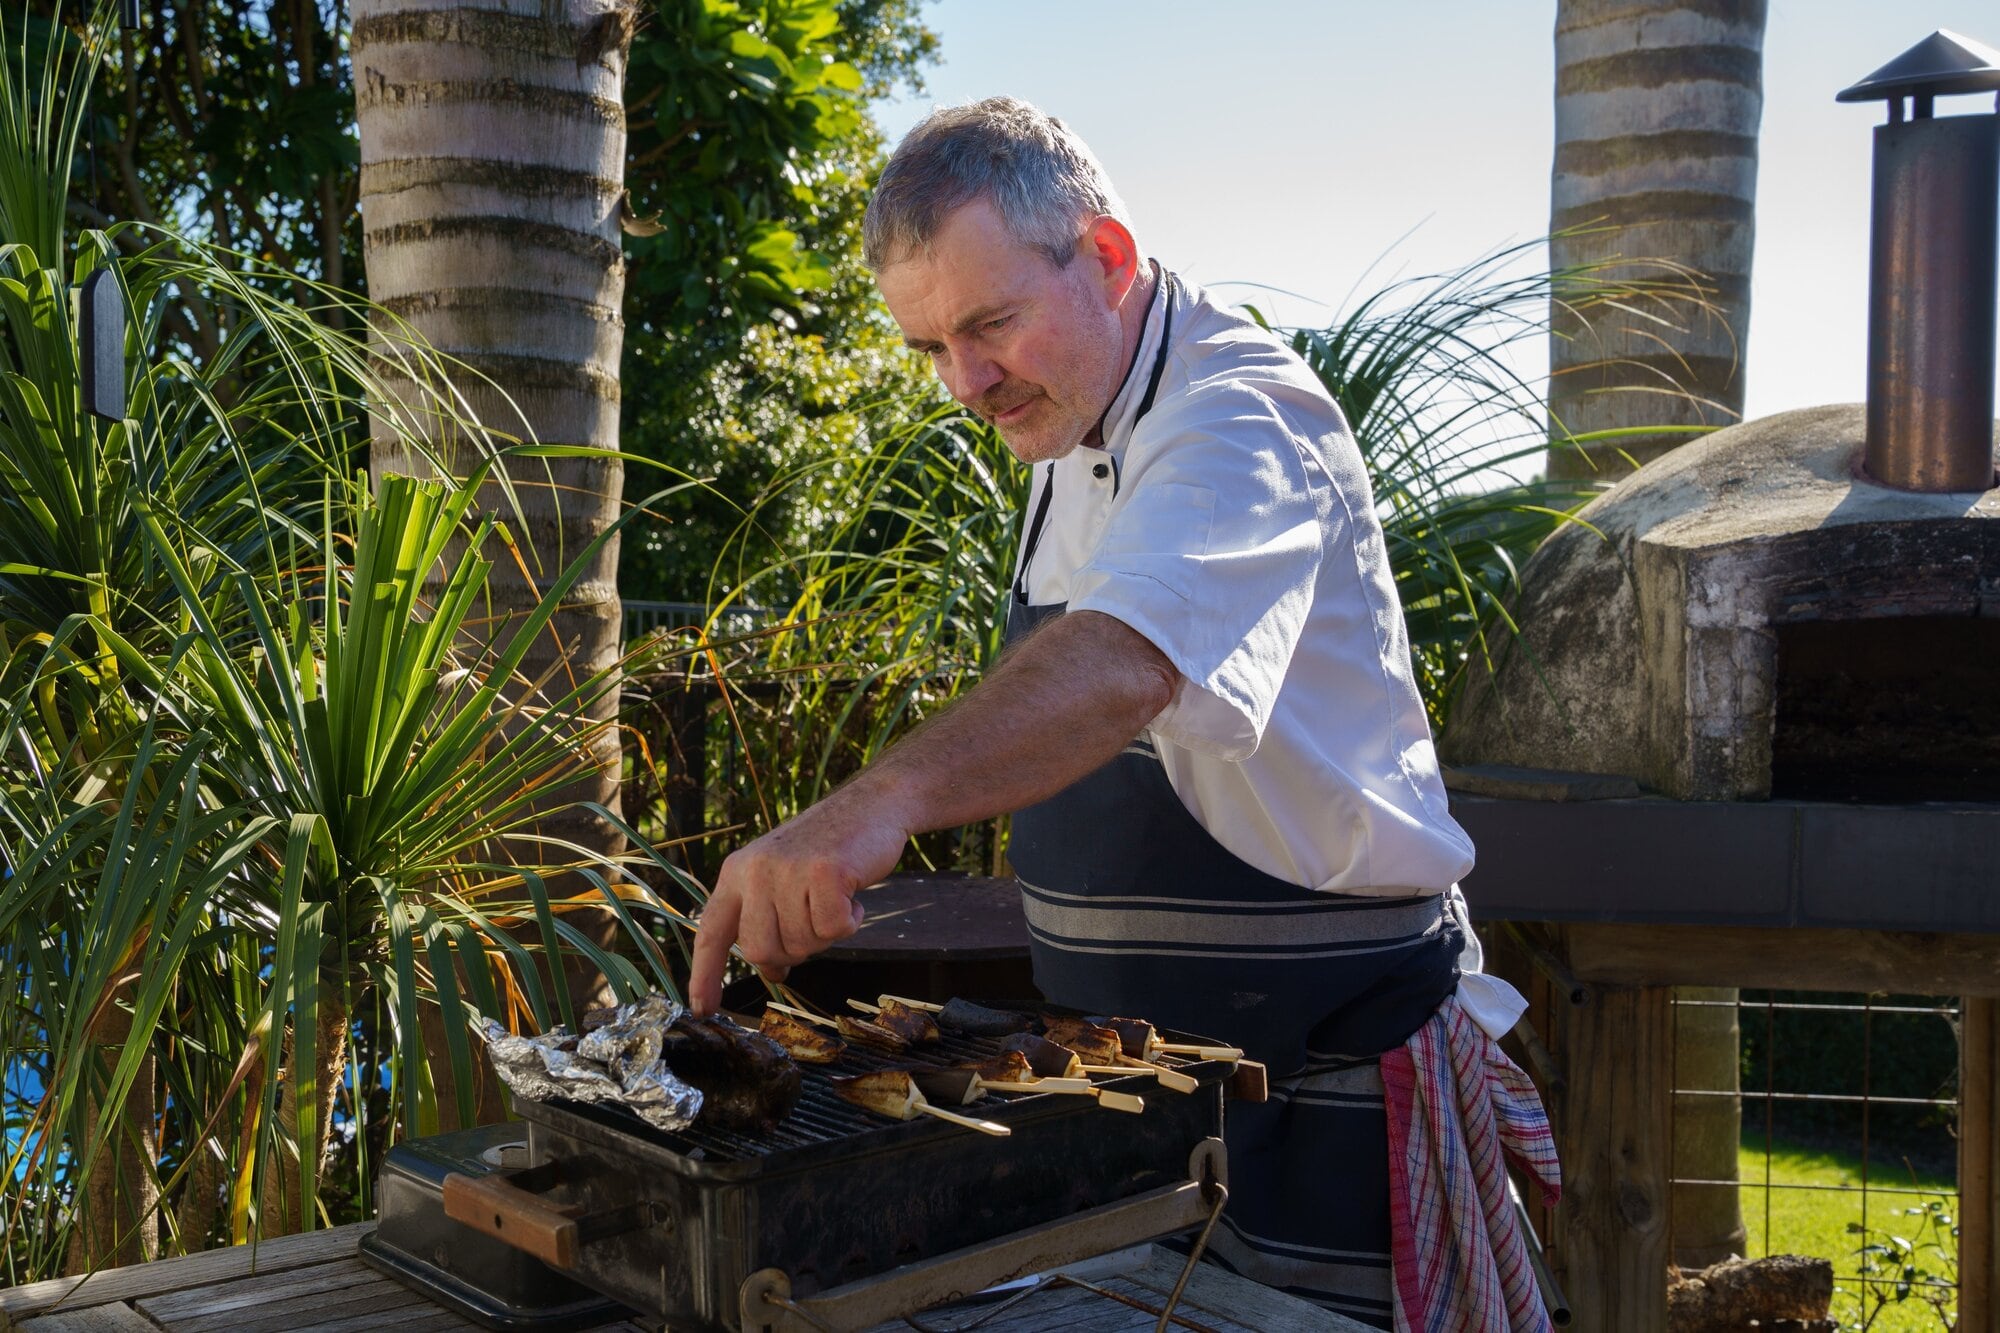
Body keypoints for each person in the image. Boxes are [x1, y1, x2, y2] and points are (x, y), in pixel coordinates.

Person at [688, 98, 1557, 1330]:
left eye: (989, 324)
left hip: (1326, 1098)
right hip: (1139, 1095)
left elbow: (1124, 662)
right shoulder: (1063, 426)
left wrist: (878, 799)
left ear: (1104, 257)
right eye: (931, 348)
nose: (966, 383)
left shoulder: (1238, 415)